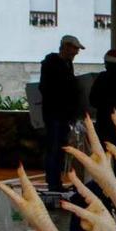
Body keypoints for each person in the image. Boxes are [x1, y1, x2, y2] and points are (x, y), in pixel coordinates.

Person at [38, 34, 84, 192]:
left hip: (64, 115)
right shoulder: (52, 64)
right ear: (66, 47)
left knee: (60, 149)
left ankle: (55, 182)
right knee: (54, 148)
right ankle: (53, 183)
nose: (76, 53)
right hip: (55, 114)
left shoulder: (67, 64)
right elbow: (47, 89)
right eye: (75, 49)